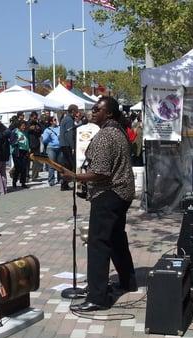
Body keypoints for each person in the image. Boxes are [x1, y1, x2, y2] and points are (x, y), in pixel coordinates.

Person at [63, 97, 137, 312]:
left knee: (98, 243)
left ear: (110, 114)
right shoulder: (118, 131)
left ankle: (97, 297)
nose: (93, 111)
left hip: (109, 193)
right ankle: (128, 281)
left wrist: (74, 176)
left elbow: (100, 172)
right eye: (93, 108)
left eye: (98, 109)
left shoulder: (106, 135)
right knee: (115, 237)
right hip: (122, 192)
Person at [59, 104, 79, 191]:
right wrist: (73, 147)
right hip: (67, 145)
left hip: (64, 144)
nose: (77, 113)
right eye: (76, 111)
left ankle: (64, 184)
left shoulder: (65, 119)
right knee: (70, 165)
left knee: (67, 165)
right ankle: (64, 183)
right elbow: (69, 134)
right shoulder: (69, 120)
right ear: (73, 111)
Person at [42, 116, 61, 186]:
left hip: (59, 147)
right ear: (51, 122)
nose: (56, 121)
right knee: (52, 165)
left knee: (59, 165)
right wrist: (48, 137)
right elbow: (44, 140)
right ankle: (51, 180)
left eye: (56, 120)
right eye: (54, 120)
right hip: (51, 148)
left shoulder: (59, 128)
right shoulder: (47, 130)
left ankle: (60, 179)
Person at [11, 120, 30, 189]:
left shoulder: (24, 132)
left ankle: (23, 182)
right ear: (19, 126)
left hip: (24, 151)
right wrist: (18, 140)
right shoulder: (14, 132)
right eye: (23, 126)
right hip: (17, 152)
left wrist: (28, 149)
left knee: (24, 168)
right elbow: (12, 143)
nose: (24, 127)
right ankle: (14, 182)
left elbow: (26, 141)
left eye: (25, 126)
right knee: (18, 168)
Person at [27, 111, 43, 180]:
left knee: (37, 161)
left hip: (36, 144)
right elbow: (25, 131)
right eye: (34, 118)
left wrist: (38, 129)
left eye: (36, 118)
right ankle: (25, 176)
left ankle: (34, 176)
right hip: (29, 144)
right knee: (26, 161)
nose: (35, 119)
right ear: (31, 117)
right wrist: (30, 128)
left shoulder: (37, 124)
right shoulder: (27, 123)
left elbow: (41, 131)